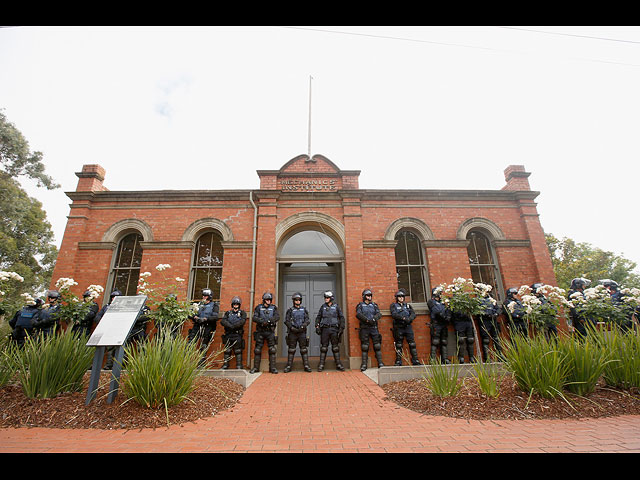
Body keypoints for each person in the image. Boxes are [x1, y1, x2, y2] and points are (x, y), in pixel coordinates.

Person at [187, 288, 219, 366]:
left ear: (209, 296)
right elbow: (189, 314)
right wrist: (195, 317)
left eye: (206, 296)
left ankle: (202, 362)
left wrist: (205, 319)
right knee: (190, 343)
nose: (204, 297)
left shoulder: (214, 305)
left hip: (207, 326)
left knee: (204, 345)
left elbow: (215, 317)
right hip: (197, 325)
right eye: (203, 295)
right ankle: (187, 361)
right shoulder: (198, 304)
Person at [315, 290, 345, 372]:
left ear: (331, 298)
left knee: (335, 347)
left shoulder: (336, 307)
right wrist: (317, 326)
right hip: (325, 329)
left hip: (334, 329)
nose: (325, 299)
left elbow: (341, 317)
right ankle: (321, 364)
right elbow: (318, 317)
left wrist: (341, 328)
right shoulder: (323, 307)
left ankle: (338, 364)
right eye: (325, 297)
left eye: (327, 297)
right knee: (324, 348)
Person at [250, 292, 280, 374]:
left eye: (270, 300)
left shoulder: (274, 308)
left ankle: (272, 368)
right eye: (267, 300)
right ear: (264, 300)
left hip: (270, 331)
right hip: (260, 331)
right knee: (257, 350)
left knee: (272, 349)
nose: (268, 301)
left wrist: (269, 321)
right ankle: (256, 368)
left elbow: (277, 317)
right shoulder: (258, 308)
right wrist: (262, 322)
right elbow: (254, 317)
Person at [356, 288, 385, 371]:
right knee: (365, 347)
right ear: (364, 296)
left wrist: (373, 319)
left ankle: (380, 363)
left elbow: (379, 314)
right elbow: (358, 314)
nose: (369, 297)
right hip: (365, 328)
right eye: (368, 295)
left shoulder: (374, 305)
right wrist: (366, 320)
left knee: (377, 345)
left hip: (373, 328)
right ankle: (364, 364)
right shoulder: (360, 305)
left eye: (370, 295)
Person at [389, 289, 419, 366]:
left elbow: (413, 314)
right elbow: (394, 314)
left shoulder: (408, 306)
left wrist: (410, 319)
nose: (401, 298)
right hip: (399, 327)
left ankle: (415, 360)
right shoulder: (393, 305)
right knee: (399, 345)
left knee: (412, 344)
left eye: (402, 296)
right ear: (396, 298)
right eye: (399, 296)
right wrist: (403, 318)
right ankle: (398, 361)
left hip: (408, 327)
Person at [283, 292, 312, 372]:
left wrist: (303, 326)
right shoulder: (290, 310)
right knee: (291, 349)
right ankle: (289, 366)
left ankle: (306, 365)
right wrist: (292, 328)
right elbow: (286, 321)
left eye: (299, 300)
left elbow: (308, 320)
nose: (297, 301)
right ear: (293, 301)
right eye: (296, 300)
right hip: (293, 332)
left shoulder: (304, 310)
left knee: (303, 349)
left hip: (302, 332)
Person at [93, 289, 121, 369]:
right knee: (99, 347)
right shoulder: (106, 306)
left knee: (111, 348)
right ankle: (95, 365)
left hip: (115, 329)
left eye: (116, 297)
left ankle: (109, 364)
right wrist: (101, 322)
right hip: (104, 328)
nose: (113, 299)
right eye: (112, 297)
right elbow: (98, 316)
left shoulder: (122, 307)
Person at [220, 296, 246, 370]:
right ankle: (225, 365)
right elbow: (223, 321)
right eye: (234, 304)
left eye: (237, 304)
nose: (235, 306)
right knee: (227, 350)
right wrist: (230, 326)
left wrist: (234, 326)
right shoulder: (228, 313)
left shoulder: (242, 313)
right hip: (228, 334)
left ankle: (239, 365)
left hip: (237, 334)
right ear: (232, 305)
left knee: (238, 350)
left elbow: (242, 321)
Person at [427, 287, 451, 364]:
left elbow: (448, 310)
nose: (441, 294)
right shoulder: (431, 302)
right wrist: (443, 316)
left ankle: (444, 358)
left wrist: (448, 317)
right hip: (436, 323)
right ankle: (433, 359)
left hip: (443, 324)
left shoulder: (443, 302)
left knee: (444, 341)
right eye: (439, 293)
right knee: (435, 341)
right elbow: (436, 311)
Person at [478, 292, 502, 361]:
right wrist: (486, 314)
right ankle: (487, 358)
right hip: (485, 321)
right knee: (486, 339)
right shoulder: (478, 300)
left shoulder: (491, 299)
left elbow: (498, 308)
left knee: (496, 338)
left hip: (493, 320)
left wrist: (496, 314)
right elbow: (478, 310)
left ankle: (500, 356)